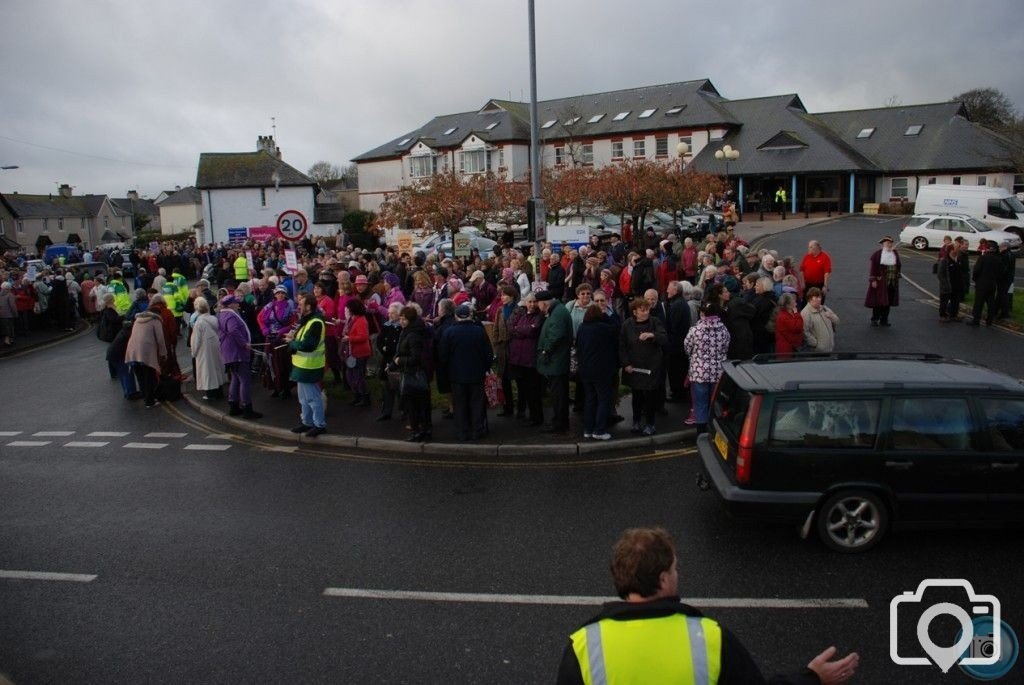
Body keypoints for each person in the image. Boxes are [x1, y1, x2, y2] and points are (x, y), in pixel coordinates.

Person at [557, 527, 860, 685]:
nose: (679, 574)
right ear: (663, 580)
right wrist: (812, 677)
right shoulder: (709, 638)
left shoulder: (583, 645)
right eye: (675, 569)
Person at [439, 303, 493, 441]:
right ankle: (477, 430)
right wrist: (485, 368)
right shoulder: (479, 331)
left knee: (460, 404)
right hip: (476, 374)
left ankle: (462, 432)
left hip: (457, 375)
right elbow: (488, 353)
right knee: (476, 403)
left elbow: (443, 356)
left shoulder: (449, 332)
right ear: (470, 315)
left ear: (456, 317)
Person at [620, 297, 668, 436]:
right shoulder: (627, 325)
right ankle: (636, 422)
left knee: (650, 397)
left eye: (647, 309)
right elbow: (622, 346)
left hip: (652, 366)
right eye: (642, 310)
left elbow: (664, 338)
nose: (646, 312)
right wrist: (625, 363)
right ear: (635, 312)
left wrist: (651, 335)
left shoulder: (655, 322)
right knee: (637, 397)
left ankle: (650, 424)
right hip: (634, 366)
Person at [684, 302, 730, 434]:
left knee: (700, 404)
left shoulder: (695, 330)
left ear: (702, 314)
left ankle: (701, 432)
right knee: (715, 403)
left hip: (699, 373)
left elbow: (687, 348)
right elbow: (726, 347)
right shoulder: (724, 330)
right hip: (718, 373)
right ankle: (714, 430)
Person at [574, 304, 619, 440]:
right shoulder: (603, 328)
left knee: (589, 400)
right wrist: (608, 314)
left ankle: (588, 429)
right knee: (603, 400)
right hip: (601, 370)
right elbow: (617, 328)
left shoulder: (582, 328)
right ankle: (599, 430)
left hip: (585, 369)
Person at [285, 294, 327, 437]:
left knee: (313, 398)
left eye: (301, 304)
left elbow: (308, 345)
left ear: (309, 306)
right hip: (302, 365)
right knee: (303, 398)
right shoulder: (307, 320)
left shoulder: (315, 322)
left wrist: (292, 343)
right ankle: (307, 422)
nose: (298, 307)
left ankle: (319, 424)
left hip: (310, 366)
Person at [218, 294, 262, 419]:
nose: (238, 304)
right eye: (236, 303)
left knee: (236, 378)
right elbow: (233, 330)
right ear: (230, 304)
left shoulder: (222, 314)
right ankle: (247, 408)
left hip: (229, 353)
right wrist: (244, 343)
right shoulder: (231, 315)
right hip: (237, 353)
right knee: (245, 380)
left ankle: (234, 405)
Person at [536, 290, 573, 434]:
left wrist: (545, 351)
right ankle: (559, 421)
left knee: (558, 394)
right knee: (558, 393)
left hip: (556, 361)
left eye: (538, 303)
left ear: (543, 303)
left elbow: (556, 335)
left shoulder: (557, 313)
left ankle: (559, 423)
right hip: (557, 360)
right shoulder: (557, 310)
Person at [394, 305, 432, 442]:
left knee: (415, 405)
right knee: (417, 405)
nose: (401, 322)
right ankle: (422, 430)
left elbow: (415, 358)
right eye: (400, 319)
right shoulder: (408, 332)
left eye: (404, 319)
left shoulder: (413, 335)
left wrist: (399, 361)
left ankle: (419, 431)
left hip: (413, 374)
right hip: (412, 373)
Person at [507, 293, 544, 426]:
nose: (532, 304)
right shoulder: (521, 315)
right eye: (529, 302)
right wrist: (524, 330)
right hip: (518, 359)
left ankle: (536, 417)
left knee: (534, 391)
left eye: (534, 302)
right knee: (522, 388)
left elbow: (533, 331)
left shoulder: (539, 316)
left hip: (531, 360)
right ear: (525, 303)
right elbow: (511, 329)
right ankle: (523, 412)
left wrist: (520, 330)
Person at [124, 307, 167, 408]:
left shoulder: (137, 320)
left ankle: (145, 397)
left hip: (132, 351)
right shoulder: (155, 321)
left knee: (140, 377)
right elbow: (160, 339)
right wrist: (163, 353)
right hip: (145, 352)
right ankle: (150, 401)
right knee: (149, 377)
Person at [190, 297, 227, 400]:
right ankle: (219, 391)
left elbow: (195, 341)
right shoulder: (214, 318)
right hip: (216, 346)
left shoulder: (199, 323)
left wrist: (194, 352)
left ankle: (210, 394)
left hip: (204, 350)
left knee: (207, 371)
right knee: (216, 368)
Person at [375, 302, 404, 421]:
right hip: (386, 359)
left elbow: (400, 345)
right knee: (386, 387)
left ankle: (404, 410)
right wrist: (382, 347)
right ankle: (386, 411)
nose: (390, 315)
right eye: (389, 313)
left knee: (399, 387)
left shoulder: (401, 328)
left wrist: (389, 349)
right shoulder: (386, 325)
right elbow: (379, 340)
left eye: (393, 313)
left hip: (396, 360)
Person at [341, 297, 373, 407]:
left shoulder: (361, 321)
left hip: (360, 353)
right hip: (352, 352)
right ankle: (357, 395)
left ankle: (364, 397)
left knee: (358, 376)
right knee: (351, 375)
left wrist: (349, 338)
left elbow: (363, 337)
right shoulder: (353, 319)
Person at [864, 236, 901, 327]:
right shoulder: (877, 254)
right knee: (878, 302)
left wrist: (897, 273)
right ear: (882, 244)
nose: (889, 244)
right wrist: (873, 280)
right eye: (887, 243)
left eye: (890, 242)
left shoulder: (894, 253)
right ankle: (875, 319)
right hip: (881, 283)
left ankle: (884, 320)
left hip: (892, 282)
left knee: (888, 302)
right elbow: (873, 268)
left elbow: (898, 265)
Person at [970, 239, 1005, 327]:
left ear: (988, 248)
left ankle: (976, 320)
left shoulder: (983, 258)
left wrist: (975, 279)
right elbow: (1000, 273)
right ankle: (989, 321)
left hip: (981, 284)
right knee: (990, 303)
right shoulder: (998, 259)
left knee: (979, 303)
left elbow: (976, 270)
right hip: (992, 284)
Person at [774, 293, 805, 359]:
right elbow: (798, 327)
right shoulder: (783, 317)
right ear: (788, 305)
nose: (796, 303)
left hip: (789, 347)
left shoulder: (787, 314)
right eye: (793, 302)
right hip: (785, 350)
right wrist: (797, 314)